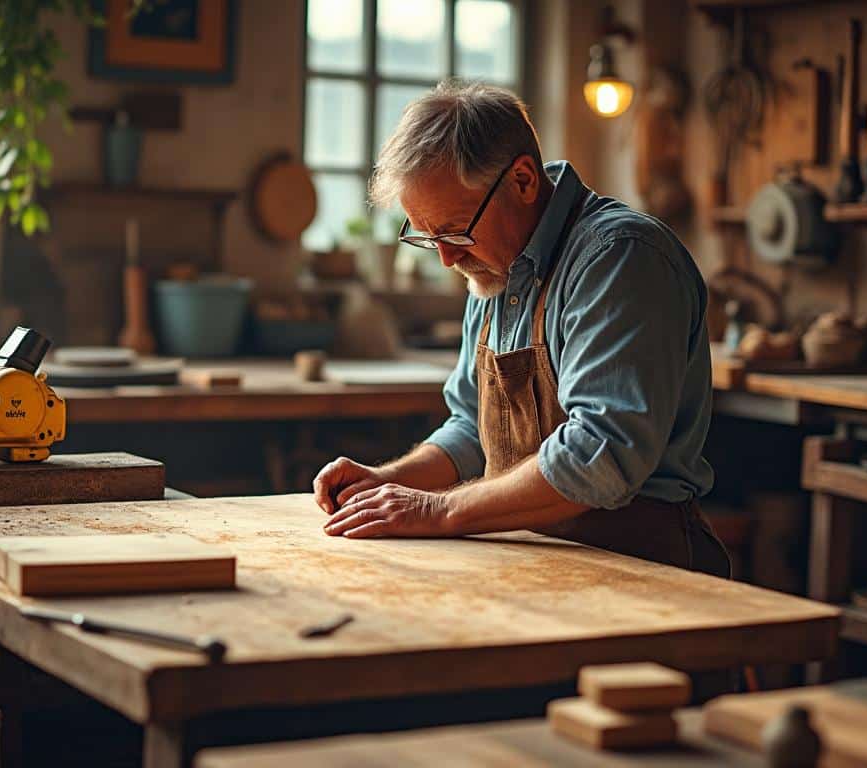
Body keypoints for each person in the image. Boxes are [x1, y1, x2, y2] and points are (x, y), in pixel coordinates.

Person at [312, 80, 728, 577]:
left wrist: (438, 509)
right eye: (428, 236)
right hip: (529, 554)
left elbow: (600, 455)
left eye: (455, 230)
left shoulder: (619, 258)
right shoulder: (493, 269)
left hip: (639, 565)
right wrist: (388, 481)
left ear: (524, 181)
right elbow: (472, 429)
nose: (446, 258)